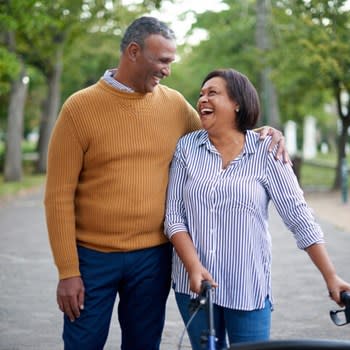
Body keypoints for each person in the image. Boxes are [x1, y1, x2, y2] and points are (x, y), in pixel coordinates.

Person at [44, 17, 288, 350]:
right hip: (92, 259)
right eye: (162, 61)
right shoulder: (79, 108)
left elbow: (219, 131)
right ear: (133, 52)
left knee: (144, 345)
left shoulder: (173, 105)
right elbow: (58, 197)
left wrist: (263, 134)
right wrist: (67, 270)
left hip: (153, 259)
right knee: (82, 343)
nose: (167, 71)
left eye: (171, 62)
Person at [164, 68, 350, 350]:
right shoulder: (187, 148)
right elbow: (174, 216)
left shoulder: (267, 151)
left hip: (247, 286)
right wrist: (193, 266)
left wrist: (330, 276)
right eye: (201, 94)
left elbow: (299, 217)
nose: (202, 99)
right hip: (193, 285)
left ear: (237, 102)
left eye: (212, 93)